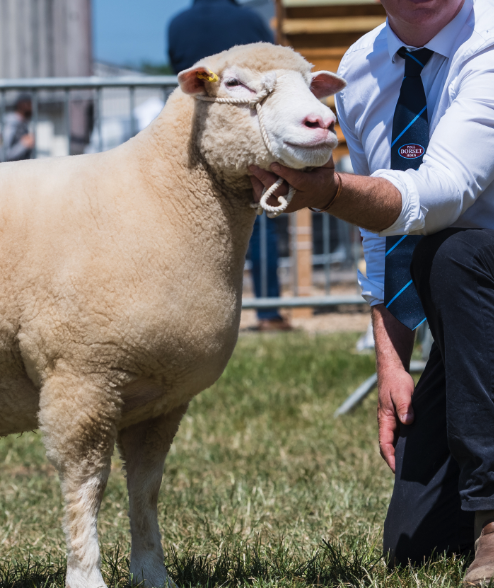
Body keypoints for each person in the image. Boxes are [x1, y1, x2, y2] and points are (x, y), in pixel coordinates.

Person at [248, 0, 494, 582]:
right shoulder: (360, 68)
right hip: (475, 322)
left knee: (455, 251)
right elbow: (381, 235)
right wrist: (391, 361)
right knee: (416, 543)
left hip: (476, 277)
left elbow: (445, 191)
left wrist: (328, 190)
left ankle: (493, 518)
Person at [169, 0, 292, 331]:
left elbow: (178, 75)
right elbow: (270, 69)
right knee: (259, 219)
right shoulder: (249, 20)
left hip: (194, 137)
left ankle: (193, 317)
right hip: (245, 137)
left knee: (192, 228)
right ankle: (268, 312)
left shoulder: (178, 23)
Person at [2, 94, 36, 162]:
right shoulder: (9, 124)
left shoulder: (22, 124)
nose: (33, 108)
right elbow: (3, 155)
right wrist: (24, 144)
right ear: (22, 105)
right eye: (30, 104)